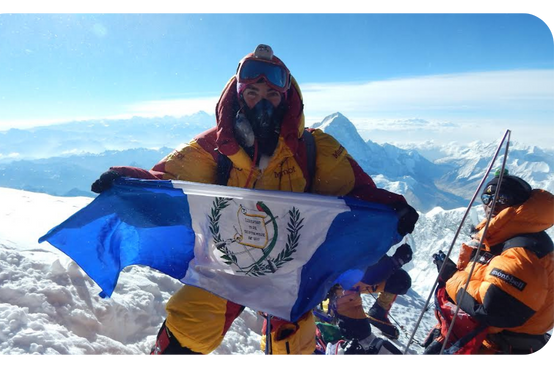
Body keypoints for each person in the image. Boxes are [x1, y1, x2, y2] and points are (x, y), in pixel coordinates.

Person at [91, 44, 419, 358]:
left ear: (286, 98)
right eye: (253, 93)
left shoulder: (314, 148)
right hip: (228, 263)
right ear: (239, 96)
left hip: (291, 269)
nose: (263, 102)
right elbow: (169, 182)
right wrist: (128, 184)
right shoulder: (215, 148)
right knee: (189, 329)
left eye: (272, 94)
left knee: (292, 345)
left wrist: (393, 208)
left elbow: (357, 192)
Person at [425, 171, 554, 357]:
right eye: (487, 197)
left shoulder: (522, 252)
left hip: (504, 348)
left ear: (519, 205)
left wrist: (452, 278)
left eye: (502, 198)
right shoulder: (504, 238)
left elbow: (494, 309)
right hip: (493, 342)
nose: (491, 203)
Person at [318, 243, 413, 358]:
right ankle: (336, 319)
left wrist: (393, 263)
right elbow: (373, 274)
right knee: (359, 334)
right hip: (338, 296)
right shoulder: (376, 272)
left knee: (400, 281)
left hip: (348, 289)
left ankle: (377, 312)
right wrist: (394, 263)